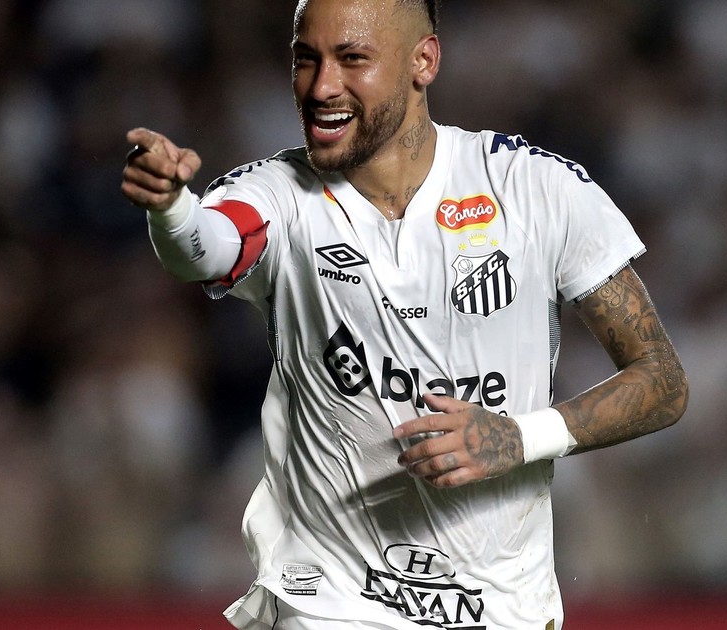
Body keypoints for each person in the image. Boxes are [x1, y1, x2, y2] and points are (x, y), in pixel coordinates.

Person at [121, 0, 688, 627]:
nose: (321, 87)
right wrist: (171, 208)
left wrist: (519, 438)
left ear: (424, 61)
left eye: (352, 59)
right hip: (330, 605)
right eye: (306, 60)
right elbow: (207, 245)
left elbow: (661, 381)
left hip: (503, 609)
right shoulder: (277, 194)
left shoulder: (534, 189)